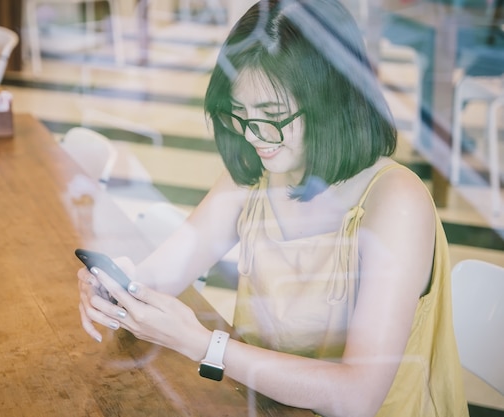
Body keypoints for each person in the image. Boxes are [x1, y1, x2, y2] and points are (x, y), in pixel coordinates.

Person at [77, 0, 469, 415]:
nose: (254, 136)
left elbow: (358, 396)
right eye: (238, 113)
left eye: (273, 116)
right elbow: (162, 276)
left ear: (331, 102)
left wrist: (203, 344)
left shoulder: (396, 201)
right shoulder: (256, 171)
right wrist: (117, 286)